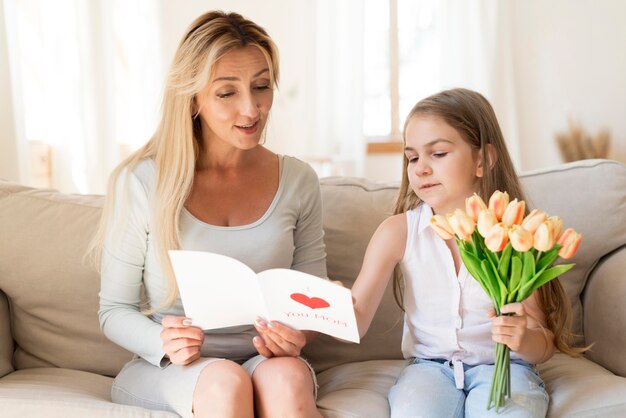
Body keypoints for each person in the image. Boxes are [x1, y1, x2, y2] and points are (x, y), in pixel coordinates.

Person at [92, 11, 326, 418]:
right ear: (193, 98)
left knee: (287, 380)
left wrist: (297, 333)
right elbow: (114, 309)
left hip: (264, 360)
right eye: (226, 93)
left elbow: (312, 300)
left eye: (261, 87)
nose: (251, 110)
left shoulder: (298, 180)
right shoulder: (143, 181)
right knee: (224, 382)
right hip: (174, 368)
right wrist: (164, 342)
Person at [350, 88, 583, 417]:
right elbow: (355, 319)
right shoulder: (397, 232)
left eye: (439, 154)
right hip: (429, 369)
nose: (421, 168)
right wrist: (330, 305)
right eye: (413, 157)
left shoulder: (516, 234)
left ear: (482, 160)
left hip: (506, 369)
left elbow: (542, 344)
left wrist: (523, 339)